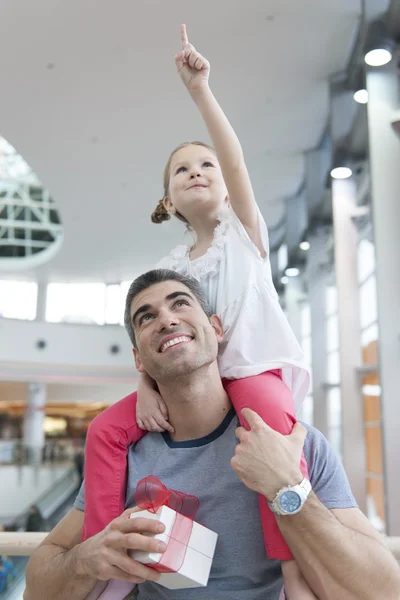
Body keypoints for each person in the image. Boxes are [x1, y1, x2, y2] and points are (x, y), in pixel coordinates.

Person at [83, 24, 312, 595]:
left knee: (268, 435)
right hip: (197, 381)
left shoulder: (243, 234)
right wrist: (144, 389)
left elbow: (234, 159)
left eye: (206, 166)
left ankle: (295, 570)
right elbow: (160, 328)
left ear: (228, 188)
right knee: (107, 430)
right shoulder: (174, 266)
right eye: (182, 171)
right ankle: (105, 555)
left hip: (251, 373)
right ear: (168, 200)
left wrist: (200, 91)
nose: (198, 173)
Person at [24, 270, 400, 600]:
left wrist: (288, 487)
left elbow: (384, 591)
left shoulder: (294, 444)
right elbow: (36, 590)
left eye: (180, 304)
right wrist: (87, 559)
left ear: (217, 329)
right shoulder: (124, 460)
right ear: (139, 359)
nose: (167, 320)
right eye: (146, 317)